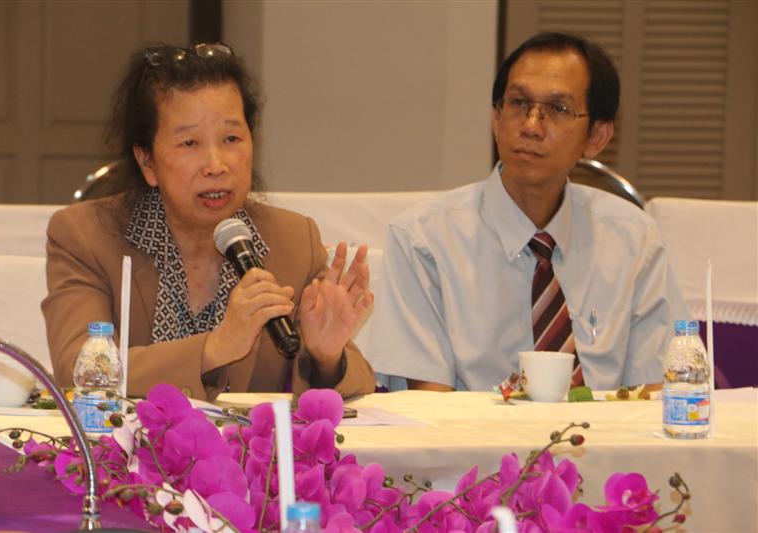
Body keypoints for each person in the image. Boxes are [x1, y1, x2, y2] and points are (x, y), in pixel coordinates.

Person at [42, 43, 376, 401]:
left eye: (231, 138)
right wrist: (216, 347)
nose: (216, 165)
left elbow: (357, 382)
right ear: (147, 161)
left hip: (250, 440)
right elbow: (78, 366)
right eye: (189, 143)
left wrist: (326, 356)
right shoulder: (87, 236)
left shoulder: (293, 241)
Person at [367, 32, 689, 391]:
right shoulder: (423, 241)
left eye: (558, 109)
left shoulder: (633, 238)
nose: (531, 126)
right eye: (518, 103)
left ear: (597, 136)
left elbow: (657, 392)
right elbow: (428, 407)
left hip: (603, 429)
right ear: (496, 117)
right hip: (473, 430)